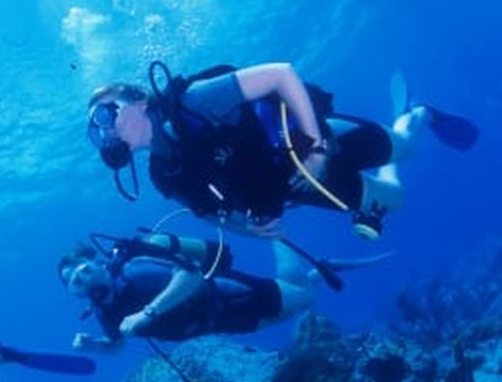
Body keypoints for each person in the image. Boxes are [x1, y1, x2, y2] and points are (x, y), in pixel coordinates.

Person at [86, 62, 479, 240]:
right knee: (395, 200)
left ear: (138, 101)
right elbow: (208, 214)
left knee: (404, 149)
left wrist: (318, 150)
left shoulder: (195, 101)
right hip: (300, 185)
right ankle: (407, 123)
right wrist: (249, 229)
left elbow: (280, 74)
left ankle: (417, 113)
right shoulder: (163, 172)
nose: (106, 130)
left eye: (107, 113)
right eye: (96, 129)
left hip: (315, 142)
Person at [56, 231, 389, 353]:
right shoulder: (104, 311)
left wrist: (147, 313)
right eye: (73, 281)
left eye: (83, 269)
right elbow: (117, 343)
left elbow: (192, 276)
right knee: (293, 301)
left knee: (305, 297)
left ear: (97, 263)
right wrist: (94, 346)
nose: (81, 278)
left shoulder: (135, 273)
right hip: (222, 322)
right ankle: (312, 271)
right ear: (73, 293)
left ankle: (277, 237)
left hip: (234, 296)